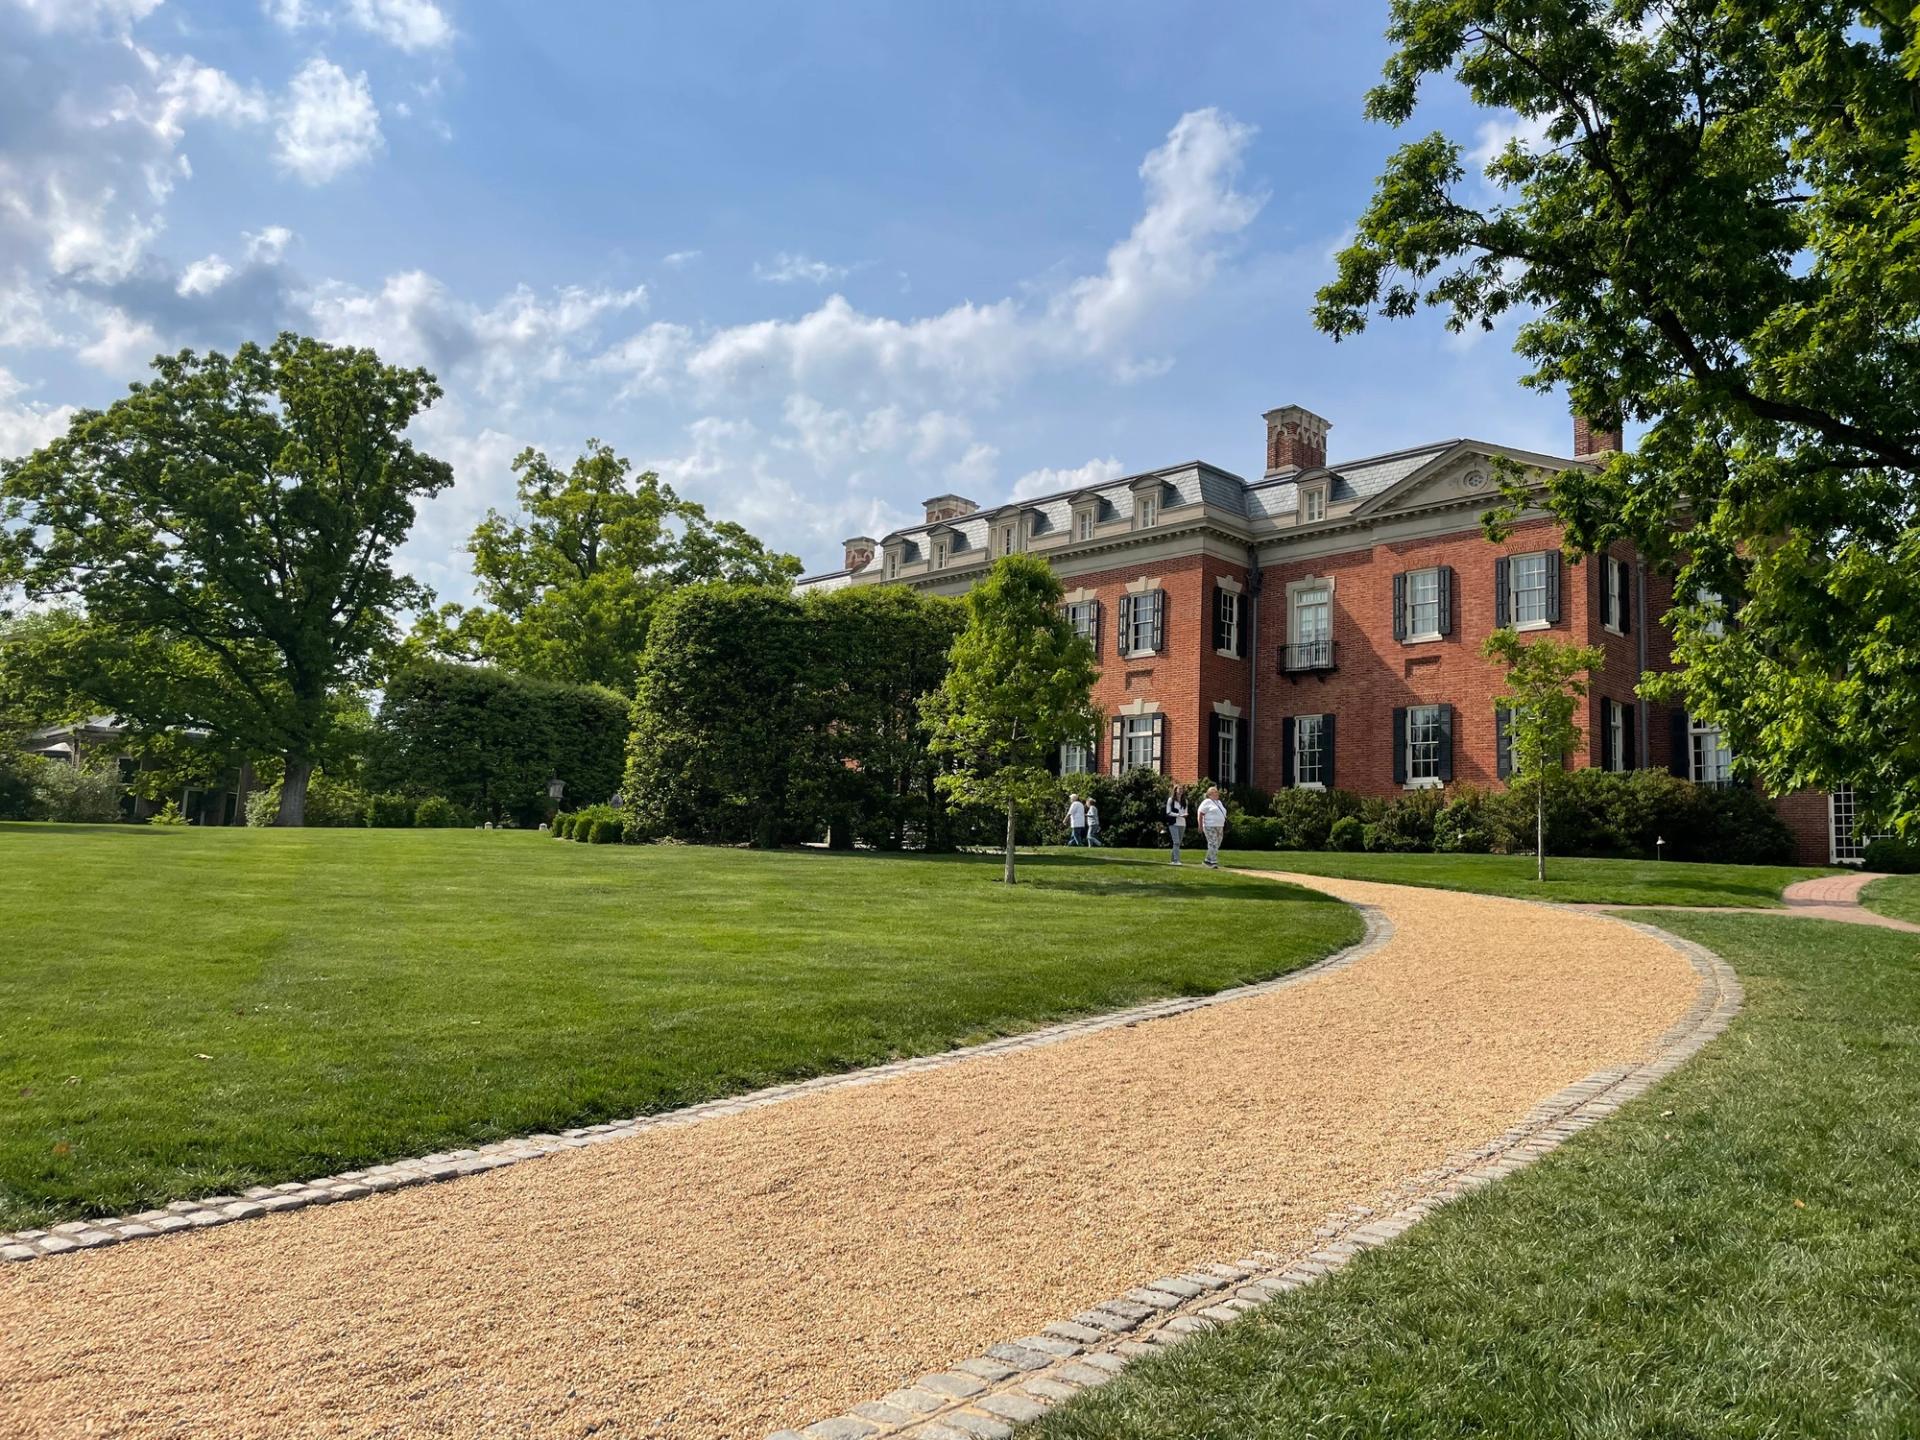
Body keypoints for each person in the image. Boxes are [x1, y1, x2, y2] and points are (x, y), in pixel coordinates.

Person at [1198, 785, 1229, 869]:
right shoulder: (1207, 802)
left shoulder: (1219, 802)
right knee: (1213, 843)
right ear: (1210, 794)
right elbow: (1200, 813)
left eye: (1217, 792)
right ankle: (1213, 862)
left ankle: (1207, 860)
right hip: (1209, 826)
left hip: (1220, 826)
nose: (1217, 793)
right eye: (1214, 792)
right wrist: (1200, 825)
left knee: (1217, 843)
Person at [1164, 787, 1187, 865]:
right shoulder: (1171, 800)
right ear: (1175, 790)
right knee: (1176, 842)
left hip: (1182, 823)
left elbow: (1185, 811)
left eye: (1182, 789)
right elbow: (1168, 812)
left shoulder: (1185, 801)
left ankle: (1173, 860)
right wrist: (1178, 815)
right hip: (1173, 823)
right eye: (1179, 789)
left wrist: (1185, 815)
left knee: (1178, 843)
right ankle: (1176, 860)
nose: (1181, 791)